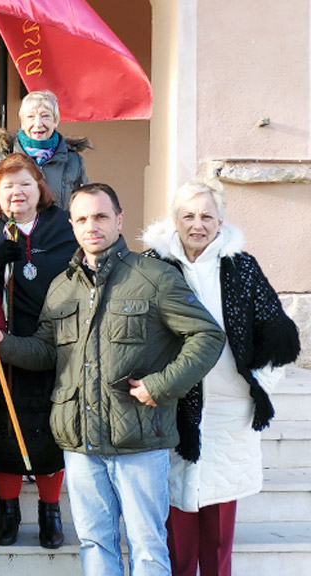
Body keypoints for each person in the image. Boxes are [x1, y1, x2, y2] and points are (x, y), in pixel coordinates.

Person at [0, 183, 227, 576]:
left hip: (140, 441)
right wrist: (2, 342)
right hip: (80, 445)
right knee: (94, 544)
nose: (90, 226)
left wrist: (160, 385)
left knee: (147, 547)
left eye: (100, 216)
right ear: (72, 226)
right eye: (81, 219)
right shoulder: (62, 287)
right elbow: (46, 351)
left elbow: (208, 336)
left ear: (119, 219)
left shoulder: (154, 277)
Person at [141, 179, 301, 576]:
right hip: (172, 409)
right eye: (189, 215)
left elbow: (278, 336)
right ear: (174, 219)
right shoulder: (151, 266)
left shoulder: (241, 267)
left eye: (207, 216)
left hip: (230, 415)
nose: (198, 224)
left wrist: (260, 386)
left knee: (217, 542)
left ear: (221, 220)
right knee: (176, 537)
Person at [0, 153, 77, 548]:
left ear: (39, 189)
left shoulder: (63, 227)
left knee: (49, 432)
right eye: (8, 185)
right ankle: (9, 508)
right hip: (3, 345)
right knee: (5, 430)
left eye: (25, 184)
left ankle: (51, 510)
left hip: (54, 344)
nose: (17, 192)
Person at [0, 90, 89, 222]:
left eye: (45, 116)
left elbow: (84, 203)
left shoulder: (72, 159)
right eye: (31, 117)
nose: (38, 124)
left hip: (58, 237)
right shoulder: (2, 157)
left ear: (55, 121)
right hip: (14, 237)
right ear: (22, 122)